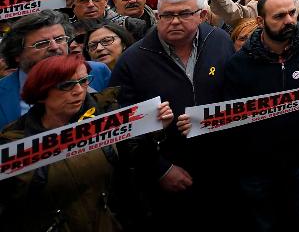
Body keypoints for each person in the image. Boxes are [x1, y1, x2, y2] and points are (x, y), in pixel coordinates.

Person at [190, 0, 299, 232]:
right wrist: (198, 122)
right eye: (279, 16)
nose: (289, 20)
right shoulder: (240, 63)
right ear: (260, 21)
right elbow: (232, 113)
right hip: (257, 164)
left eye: (292, 13)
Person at [0, 54, 174, 232]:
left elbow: (132, 158)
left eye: (83, 81)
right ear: (41, 93)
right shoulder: (13, 144)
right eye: (66, 85)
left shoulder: (106, 115)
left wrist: (153, 131)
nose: (79, 90)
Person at [109, 0, 234, 231]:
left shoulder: (219, 40)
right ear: (157, 16)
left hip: (222, 167)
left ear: (202, 15)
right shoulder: (132, 60)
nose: (174, 21)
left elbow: (235, 94)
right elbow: (119, 127)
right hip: (169, 174)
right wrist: (159, 169)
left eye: (184, 14)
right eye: (166, 15)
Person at [0, 10, 112, 129]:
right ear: (17, 54)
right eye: (42, 43)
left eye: (60, 39)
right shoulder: (3, 93)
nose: (54, 47)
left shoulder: (97, 71)